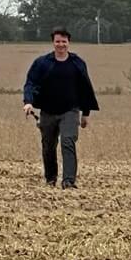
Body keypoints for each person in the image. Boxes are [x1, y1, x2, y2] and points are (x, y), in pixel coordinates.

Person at [21, 28, 99, 189]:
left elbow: (86, 89)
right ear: (53, 42)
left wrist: (86, 113)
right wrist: (28, 102)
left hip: (70, 111)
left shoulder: (77, 63)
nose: (61, 44)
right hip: (47, 111)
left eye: (64, 41)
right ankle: (51, 179)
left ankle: (69, 181)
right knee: (48, 146)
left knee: (67, 141)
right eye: (58, 41)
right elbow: (31, 83)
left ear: (68, 43)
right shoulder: (42, 63)